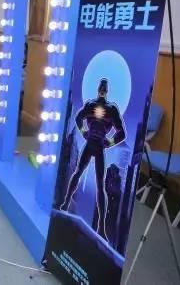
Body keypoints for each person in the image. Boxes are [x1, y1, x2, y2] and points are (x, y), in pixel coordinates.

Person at [59, 78, 126, 241]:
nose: (102, 89)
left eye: (104, 87)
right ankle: (66, 204)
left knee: (98, 184)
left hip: (98, 146)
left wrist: (108, 142)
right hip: (91, 144)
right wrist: (84, 132)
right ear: (101, 89)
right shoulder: (92, 105)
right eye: (102, 87)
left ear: (105, 90)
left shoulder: (110, 109)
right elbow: (78, 118)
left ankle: (100, 227)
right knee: (78, 174)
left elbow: (121, 133)